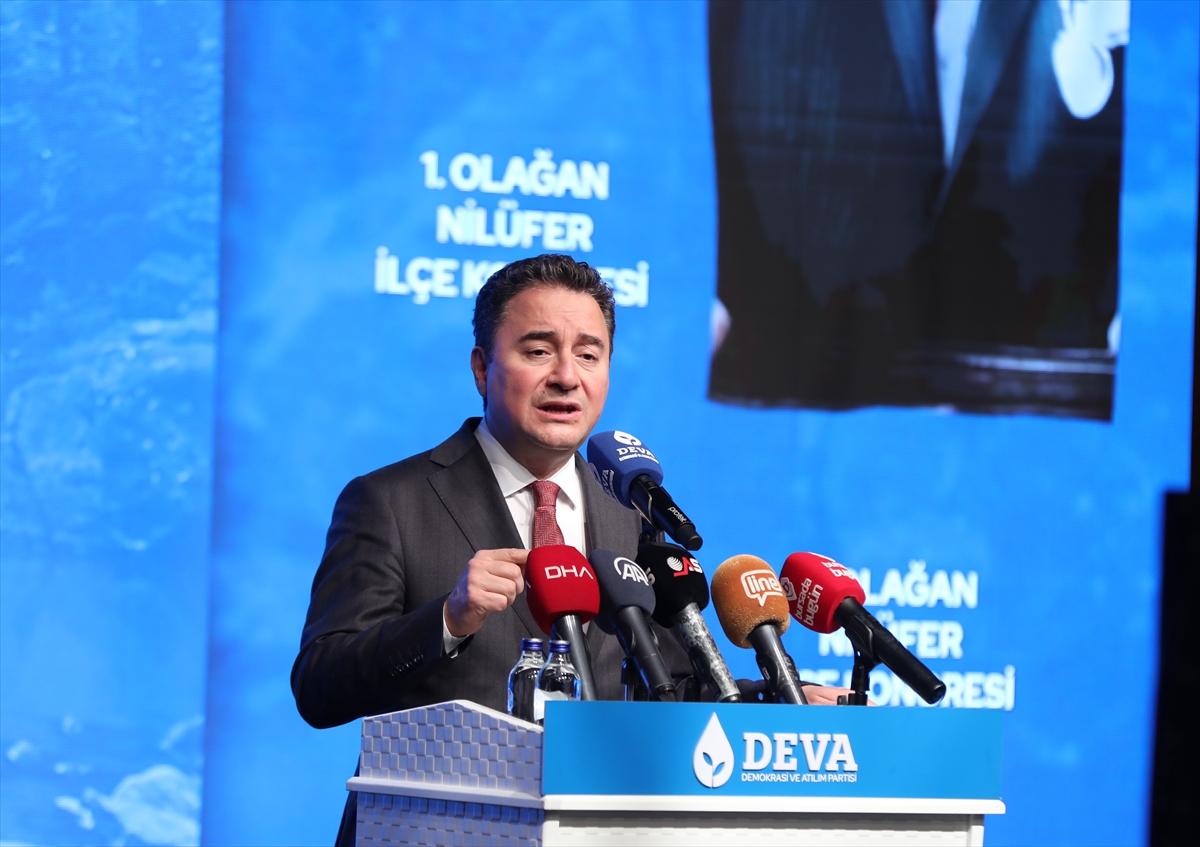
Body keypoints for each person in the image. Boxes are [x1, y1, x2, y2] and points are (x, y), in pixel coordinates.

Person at [291, 254, 849, 845]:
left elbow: (671, 684)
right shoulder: (390, 501)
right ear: (481, 367)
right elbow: (321, 687)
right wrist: (448, 621)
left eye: (588, 355)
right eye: (538, 351)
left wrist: (776, 702)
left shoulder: (632, 511)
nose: (566, 376)